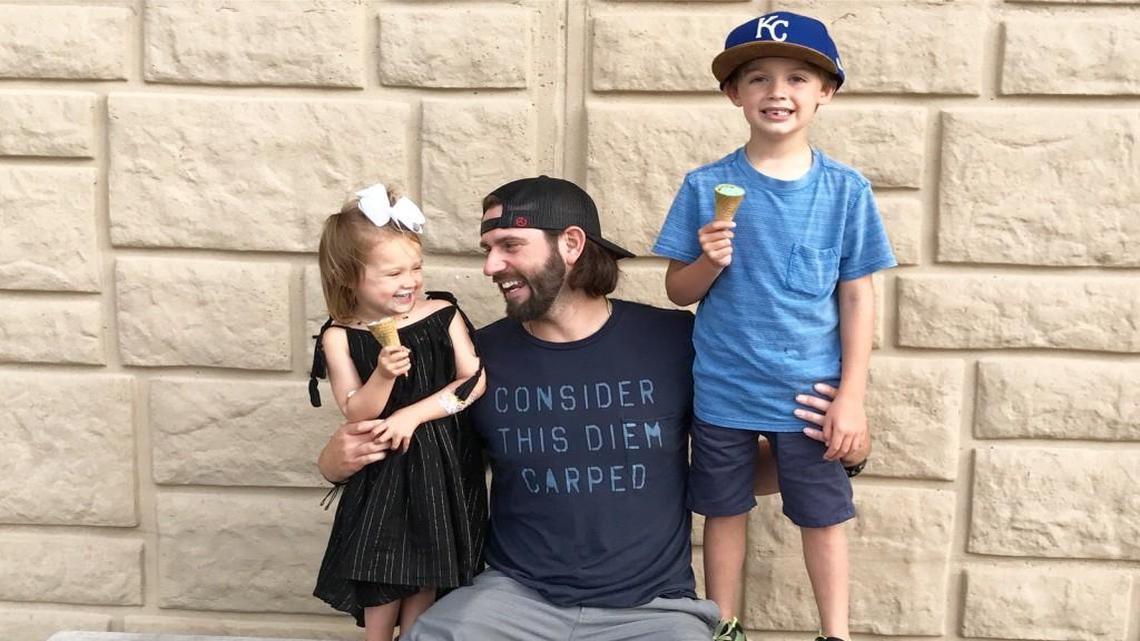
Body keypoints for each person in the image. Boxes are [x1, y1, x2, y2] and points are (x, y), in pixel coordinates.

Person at [314, 176, 873, 641]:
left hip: (656, 612)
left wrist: (838, 453)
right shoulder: (476, 358)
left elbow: (733, 469)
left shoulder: (677, 341)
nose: (491, 267)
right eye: (489, 250)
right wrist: (336, 460)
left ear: (572, 244)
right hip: (512, 603)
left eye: (510, 246)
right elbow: (412, 466)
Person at [651, 12, 897, 641]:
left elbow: (858, 299)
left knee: (822, 516)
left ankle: (834, 632)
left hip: (812, 396)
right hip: (724, 390)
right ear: (734, 94)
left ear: (826, 91)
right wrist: (708, 259)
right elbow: (678, 293)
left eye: (797, 77)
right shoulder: (705, 185)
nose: (776, 92)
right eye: (757, 78)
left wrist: (853, 398)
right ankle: (723, 626)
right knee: (723, 512)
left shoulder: (845, 191)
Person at [307, 183, 488, 640]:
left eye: (416, 268)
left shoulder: (442, 313)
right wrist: (383, 376)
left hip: (442, 462)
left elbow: (473, 380)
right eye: (392, 273)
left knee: (430, 564)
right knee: (383, 563)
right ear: (350, 277)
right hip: (385, 467)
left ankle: (415, 635)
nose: (409, 281)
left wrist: (414, 415)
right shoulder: (340, 335)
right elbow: (354, 412)